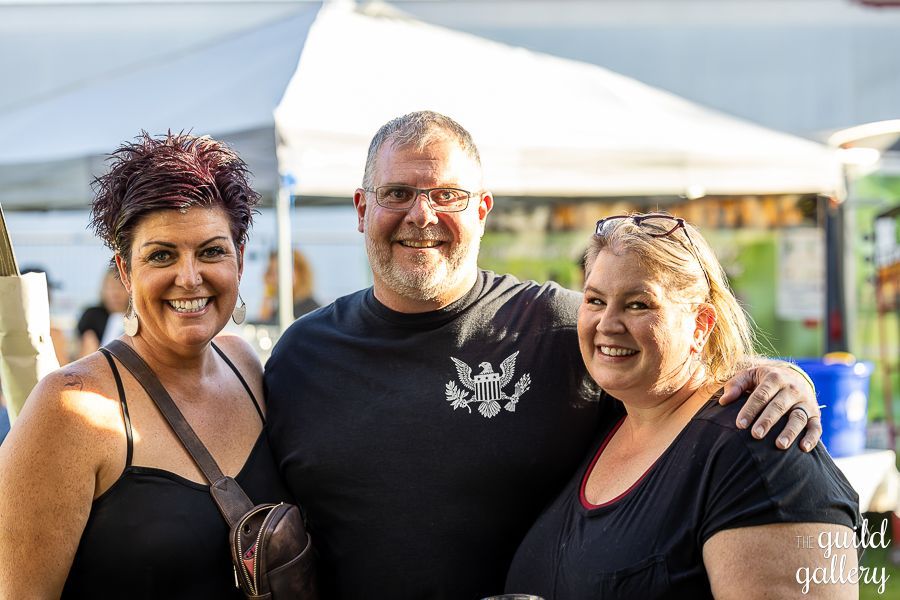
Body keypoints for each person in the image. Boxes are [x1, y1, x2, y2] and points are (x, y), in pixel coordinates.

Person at [264, 110, 825, 599]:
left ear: (482, 209)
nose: (422, 215)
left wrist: (767, 373)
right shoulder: (301, 357)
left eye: (447, 195)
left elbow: (668, 362)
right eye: (397, 193)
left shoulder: (560, 326)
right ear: (362, 207)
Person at [504, 213, 860, 598]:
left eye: (638, 304)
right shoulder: (603, 421)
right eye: (594, 300)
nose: (607, 323)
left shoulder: (757, 449)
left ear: (701, 325)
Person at [0, 132, 292, 599]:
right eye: (161, 255)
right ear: (124, 270)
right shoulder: (71, 410)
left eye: (212, 250)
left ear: (239, 256)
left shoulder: (245, 363)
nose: (189, 277)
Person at [76, 266, 130, 357]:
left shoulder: (139, 317)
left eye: (121, 286)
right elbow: (87, 355)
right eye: (111, 287)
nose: (115, 293)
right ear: (103, 289)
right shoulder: (93, 316)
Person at [258, 248, 320, 322]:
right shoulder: (284, 308)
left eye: (276, 272)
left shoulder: (306, 310)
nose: (269, 278)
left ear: (298, 273)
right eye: (270, 272)